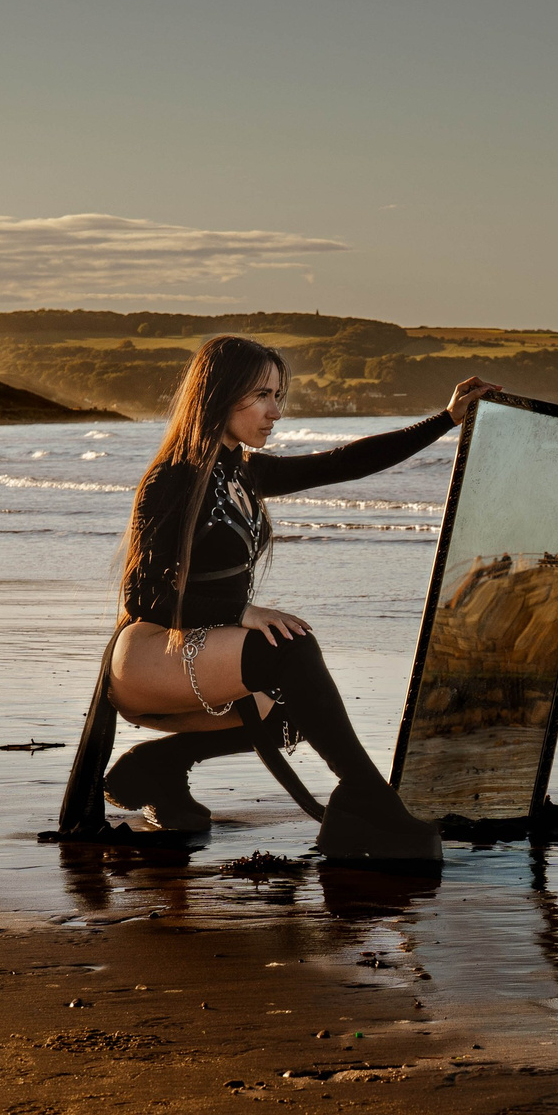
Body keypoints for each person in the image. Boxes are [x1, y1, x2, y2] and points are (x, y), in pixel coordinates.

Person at [89, 334, 497, 862]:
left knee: (302, 706)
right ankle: (369, 801)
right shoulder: (172, 479)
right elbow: (143, 595)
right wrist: (239, 612)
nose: (275, 412)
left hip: (196, 649)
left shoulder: (242, 472)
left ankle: (158, 766)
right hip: (147, 653)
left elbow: (341, 463)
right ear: (218, 394)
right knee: (291, 647)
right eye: (261, 396)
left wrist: (444, 420)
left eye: (278, 396)